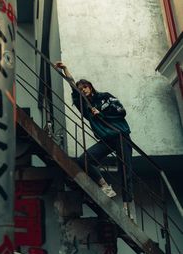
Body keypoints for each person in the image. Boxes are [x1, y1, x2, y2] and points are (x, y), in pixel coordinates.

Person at [54, 61, 133, 215]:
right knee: (84, 159)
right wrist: (65, 69)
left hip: (121, 136)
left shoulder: (105, 97)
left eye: (85, 87)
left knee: (125, 171)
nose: (83, 90)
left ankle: (127, 207)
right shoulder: (85, 107)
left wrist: (101, 114)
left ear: (90, 87)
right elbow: (72, 86)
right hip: (106, 140)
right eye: (81, 89)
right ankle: (105, 186)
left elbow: (121, 112)